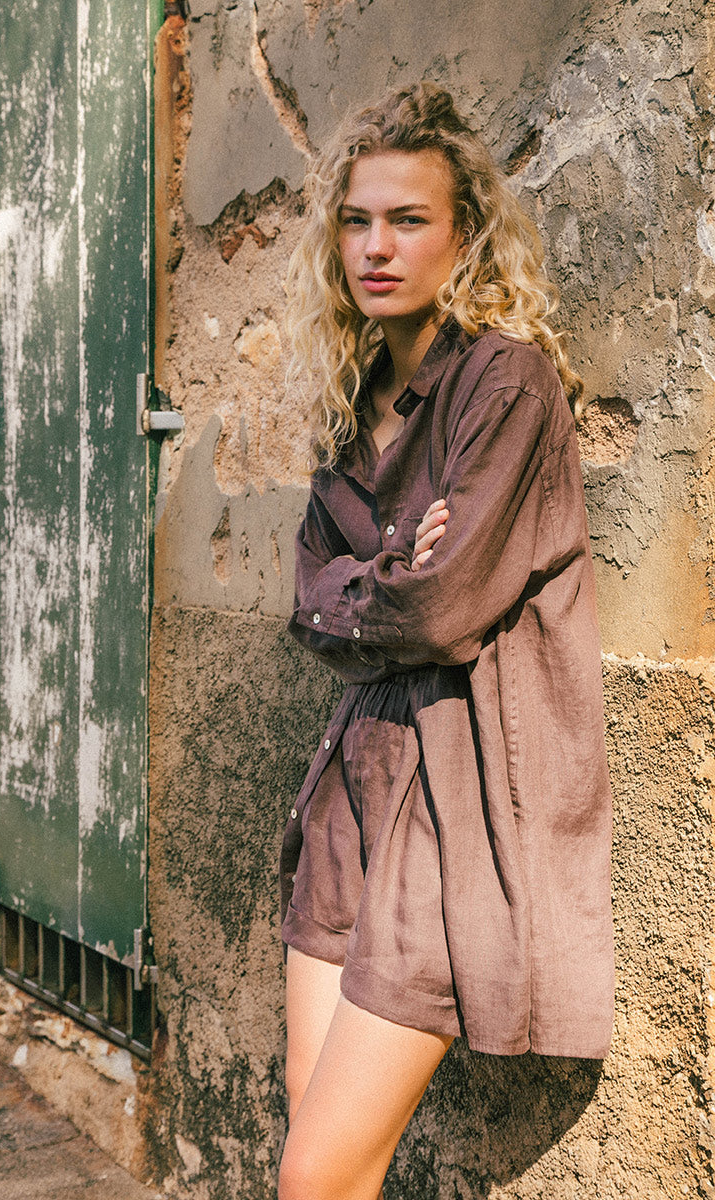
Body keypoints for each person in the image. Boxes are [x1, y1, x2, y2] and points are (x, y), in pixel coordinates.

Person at [277, 82, 614, 1200]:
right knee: (310, 1146)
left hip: (453, 792)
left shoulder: (501, 379)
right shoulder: (350, 401)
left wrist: (367, 589)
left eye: (407, 220)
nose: (376, 247)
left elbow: (440, 609)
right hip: (352, 784)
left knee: (316, 1178)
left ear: (462, 235)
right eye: (357, 220)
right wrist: (383, 576)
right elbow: (306, 601)